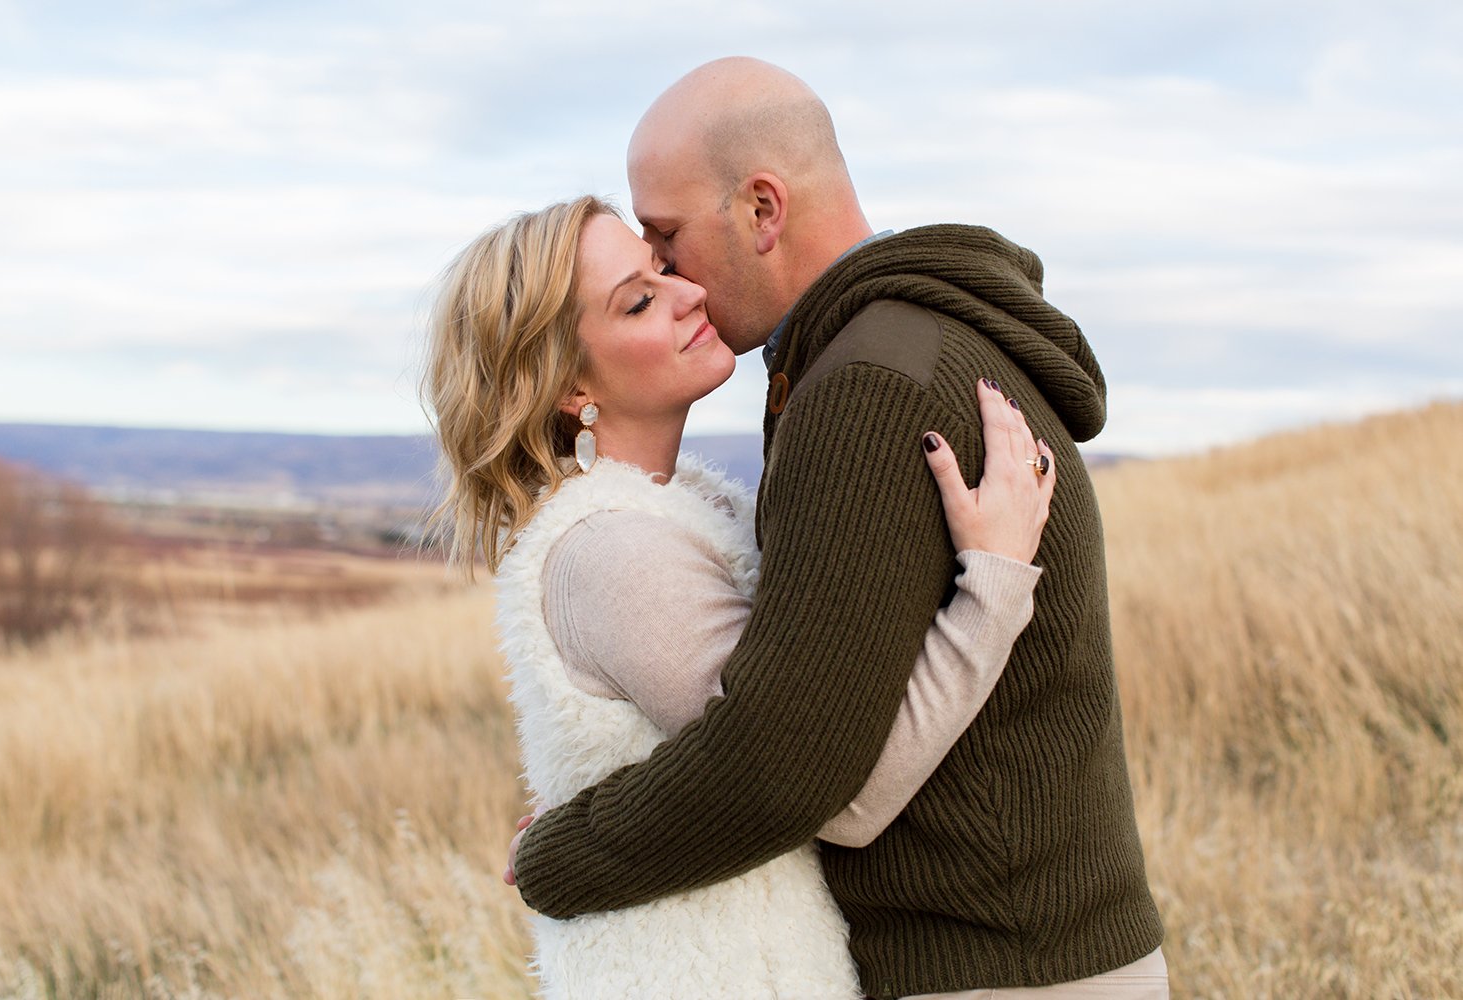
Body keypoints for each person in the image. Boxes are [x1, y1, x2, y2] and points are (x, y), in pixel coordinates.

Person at [505, 58, 1167, 1000]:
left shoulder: (865, 384)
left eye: (668, 239)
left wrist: (565, 852)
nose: (677, 278)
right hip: (1036, 949)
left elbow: (793, 768)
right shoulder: (913, 343)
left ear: (762, 210)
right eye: (645, 276)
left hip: (990, 967)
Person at [426, 195, 1058, 997]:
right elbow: (838, 796)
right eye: (641, 300)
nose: (688, 292)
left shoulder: (687, 511)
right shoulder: (613, 550)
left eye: (663, 267)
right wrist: (993, 583)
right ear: (565, 382)